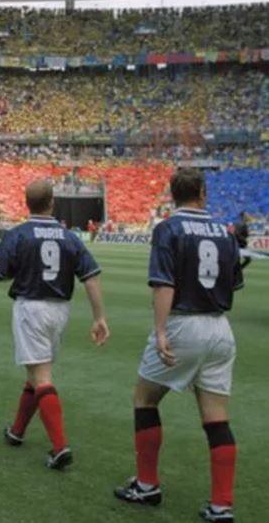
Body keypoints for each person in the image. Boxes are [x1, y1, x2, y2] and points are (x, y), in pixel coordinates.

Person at [114, 168, 244, 523]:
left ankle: (147, 484)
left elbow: (163, 284)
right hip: (220, 328)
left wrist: (160, 331)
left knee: (144, 398)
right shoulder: (226, 232)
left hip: (183, 324)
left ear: (172, 194)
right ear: (203, 193)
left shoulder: (168, 228)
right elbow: (232, 283)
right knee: (217, 417)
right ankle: (221, 506)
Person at [0, 179, 109, 470]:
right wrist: (99, 317)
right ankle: (17, 431)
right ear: (52, 202)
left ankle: (60, 447)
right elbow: (91, 277)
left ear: (26, 202)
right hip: (60, 310)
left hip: (31, 307)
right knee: (36, 372)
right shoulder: (69, 237)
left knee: (41, 376)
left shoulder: (18, 234)